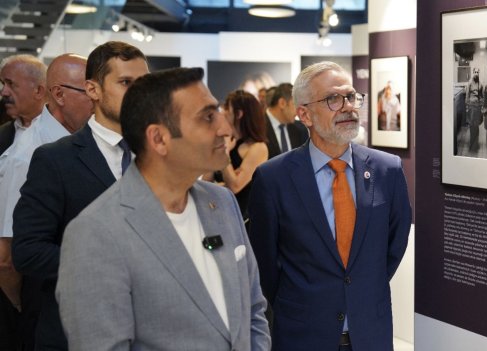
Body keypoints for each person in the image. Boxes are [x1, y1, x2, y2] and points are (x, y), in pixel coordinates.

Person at [56, 67, 271, 351]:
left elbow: (253, 310)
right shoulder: (96, 233)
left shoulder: (221, 203)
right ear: (158, 139)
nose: (225, 129)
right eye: (207, 117)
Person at [248, 61, 412, 351]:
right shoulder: (273, 179)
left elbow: (393, 247)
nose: (348, 107)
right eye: (333, 99)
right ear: (305, 115)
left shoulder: (387, 170)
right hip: (303, 336)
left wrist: (358, 287)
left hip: (370, 335)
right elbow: (265, 266)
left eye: (351, 97)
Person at [11, 41, 148, 350]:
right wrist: (108, 264)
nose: (139, 94)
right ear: (93, 90)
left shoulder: (160, 157)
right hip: (77, 333)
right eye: (126, 83)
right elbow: (28, 251)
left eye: (144, 84)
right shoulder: (55, 161)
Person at [0, 55, 48, 349]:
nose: (4, 92)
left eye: (10, 84)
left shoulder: (48, 144)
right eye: (2, 83)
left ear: (39, 90)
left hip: (24, 286)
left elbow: (6, 255)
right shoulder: (8, 134)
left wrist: (15, 298)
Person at [210, 90, 268, 223]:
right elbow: (206, 181)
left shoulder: (257, 148)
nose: (222, 112)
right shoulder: (225, 141)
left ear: (239, 114)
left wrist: (225, 153)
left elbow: (234, 186)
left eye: (227, 108)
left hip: (241, 219)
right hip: (217, 213)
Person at [264, 83, 308, 159]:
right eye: (295, 105)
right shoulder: (257, 127)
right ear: (282, 103)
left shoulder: (299, 129)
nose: (299, 111)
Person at [464, 67, 483, 152]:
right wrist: (467, 107)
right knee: (472, 126)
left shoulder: (481, 84)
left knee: (477, 126)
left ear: (479, 73)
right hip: (471, 107)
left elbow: (482, 96)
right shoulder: (469, 83)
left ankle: (476, 144)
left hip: (477, 107)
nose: (476, 73)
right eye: (475, 72)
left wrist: (481, 105)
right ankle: (471, 145)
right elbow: (467, 95)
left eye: (477, 72)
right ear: (473, 72)